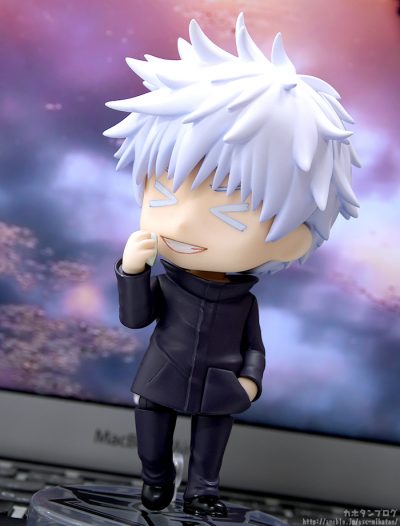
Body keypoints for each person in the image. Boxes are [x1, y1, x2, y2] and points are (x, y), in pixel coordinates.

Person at [104, 13, 359, 517]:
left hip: (221, 385)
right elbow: (136, 319)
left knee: (212, 436)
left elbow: (254, 347)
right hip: (162, 375)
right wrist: (132, 272)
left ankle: (203, 490)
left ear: (292, 239)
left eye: (227, 214)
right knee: (150, 423)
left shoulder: (243, 303)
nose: (181, 224)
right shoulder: (170, 284)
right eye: (162, 196)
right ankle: (156, 479)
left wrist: (251, 381)